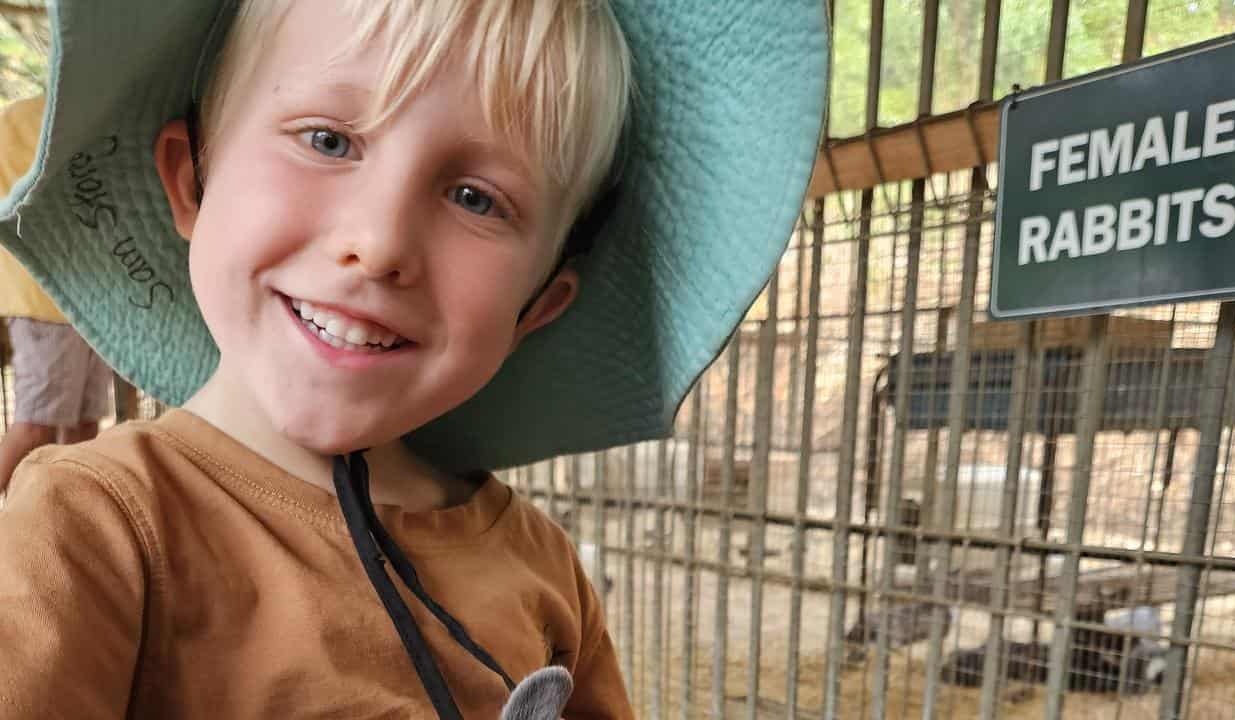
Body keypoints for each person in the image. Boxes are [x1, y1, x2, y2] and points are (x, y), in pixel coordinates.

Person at [0, 1, 827, 718]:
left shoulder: (542, 571)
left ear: (534, 309)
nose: (380, 242)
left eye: (477, 198)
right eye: (327, 140)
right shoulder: (94, 533)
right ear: (193, 181)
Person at [0, 95, 114, 498]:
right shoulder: (20, 120)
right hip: (42, 296)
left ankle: (68, 515)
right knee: (34, 425)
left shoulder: (96, 114)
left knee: (84, 424)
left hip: (89, 300)